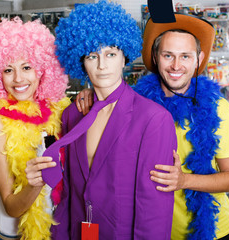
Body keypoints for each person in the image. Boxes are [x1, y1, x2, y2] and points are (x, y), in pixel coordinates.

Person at [77, 1, 229, 239]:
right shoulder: (134, 102)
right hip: (148, 228)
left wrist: (183, 180)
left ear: (199, 58)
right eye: (168, 55)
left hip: (207, 231)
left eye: (185, 56)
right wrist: (92, 94)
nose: (176, 66)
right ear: (156, 57)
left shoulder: (218, 108)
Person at [49, 1, 177, 239]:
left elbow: (154, 208)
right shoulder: (72, 115)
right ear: (80, 60)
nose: (102, 65)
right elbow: (68, 189)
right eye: (92, 55)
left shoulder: (154, 119)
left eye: (111, 54)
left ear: (124, 57)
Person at [0, 17, 70, 240]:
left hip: (55, 227)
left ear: (42, 70)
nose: (18, 79)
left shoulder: (54, 110)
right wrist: (36, 182)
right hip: (15, 235)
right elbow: (11, 208)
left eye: (26, 67)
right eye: (8, 70)